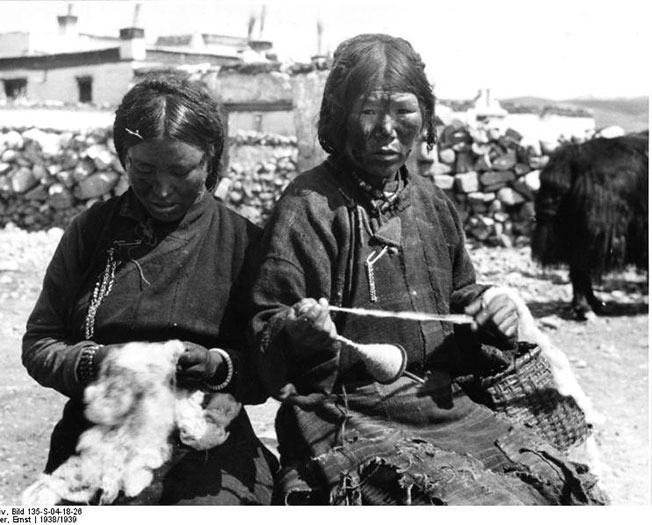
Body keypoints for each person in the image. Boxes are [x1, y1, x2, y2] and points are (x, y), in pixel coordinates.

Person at [248, 34, 608, 505]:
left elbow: (463, 298)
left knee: (560, 490)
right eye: (368, 111)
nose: (386, 128)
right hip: (349, 417)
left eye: (403, 110)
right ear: (338, 116)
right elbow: (265, 327)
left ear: (426, 117)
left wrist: (487, 315)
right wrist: (299, 330)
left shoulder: (433, 203)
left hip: (445, 406)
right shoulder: (308, 207)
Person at [22, 73, 277, 505]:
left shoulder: (243, 243)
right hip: (95, 439)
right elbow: (40, 344)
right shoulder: (91, 233)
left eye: (181, 170)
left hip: (209, 444)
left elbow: (269, 366)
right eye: (143, 170)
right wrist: (100, 363)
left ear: (210, 159)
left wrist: (217, 366)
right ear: (123, 157)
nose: (161, 189)